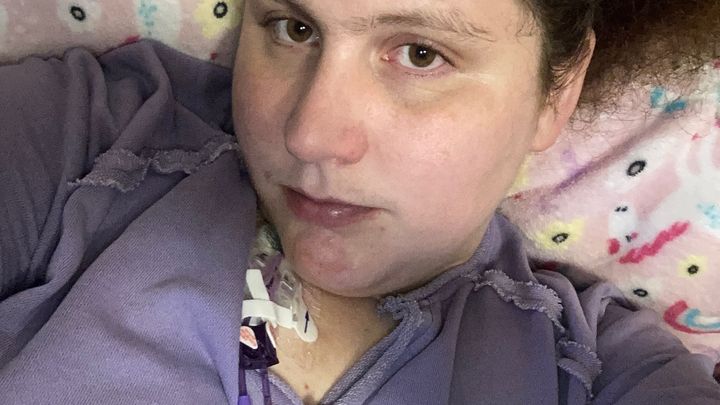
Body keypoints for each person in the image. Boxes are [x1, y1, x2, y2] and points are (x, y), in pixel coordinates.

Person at [0, 0, 718, 404]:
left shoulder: (597, 370)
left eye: (420, 54)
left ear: (556, 93)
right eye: (295, 28)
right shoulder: (91, 136)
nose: (309, 135)